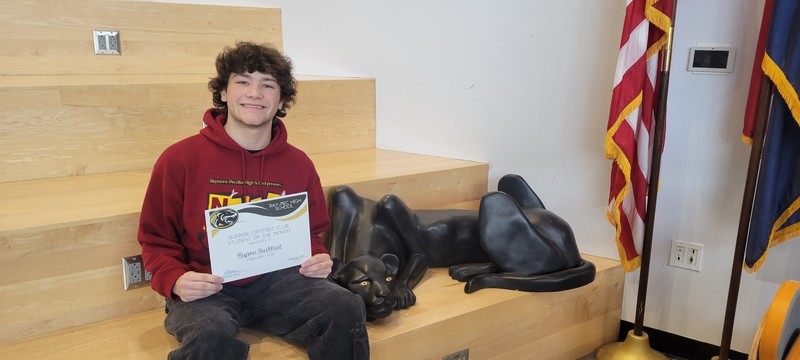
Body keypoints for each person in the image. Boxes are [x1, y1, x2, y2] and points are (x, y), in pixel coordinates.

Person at [137, 42, 369, 360]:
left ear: (282, 100)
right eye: (243, 81)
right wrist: (175, 280)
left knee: (346, 305)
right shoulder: (179, 159)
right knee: (211, 334)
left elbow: (310, 233)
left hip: (278, 282)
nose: (255, 93)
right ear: (223, 93)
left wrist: (318, 257)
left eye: (267, 85)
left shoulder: (299, 163)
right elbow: (155, 238)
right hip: (207, 285)